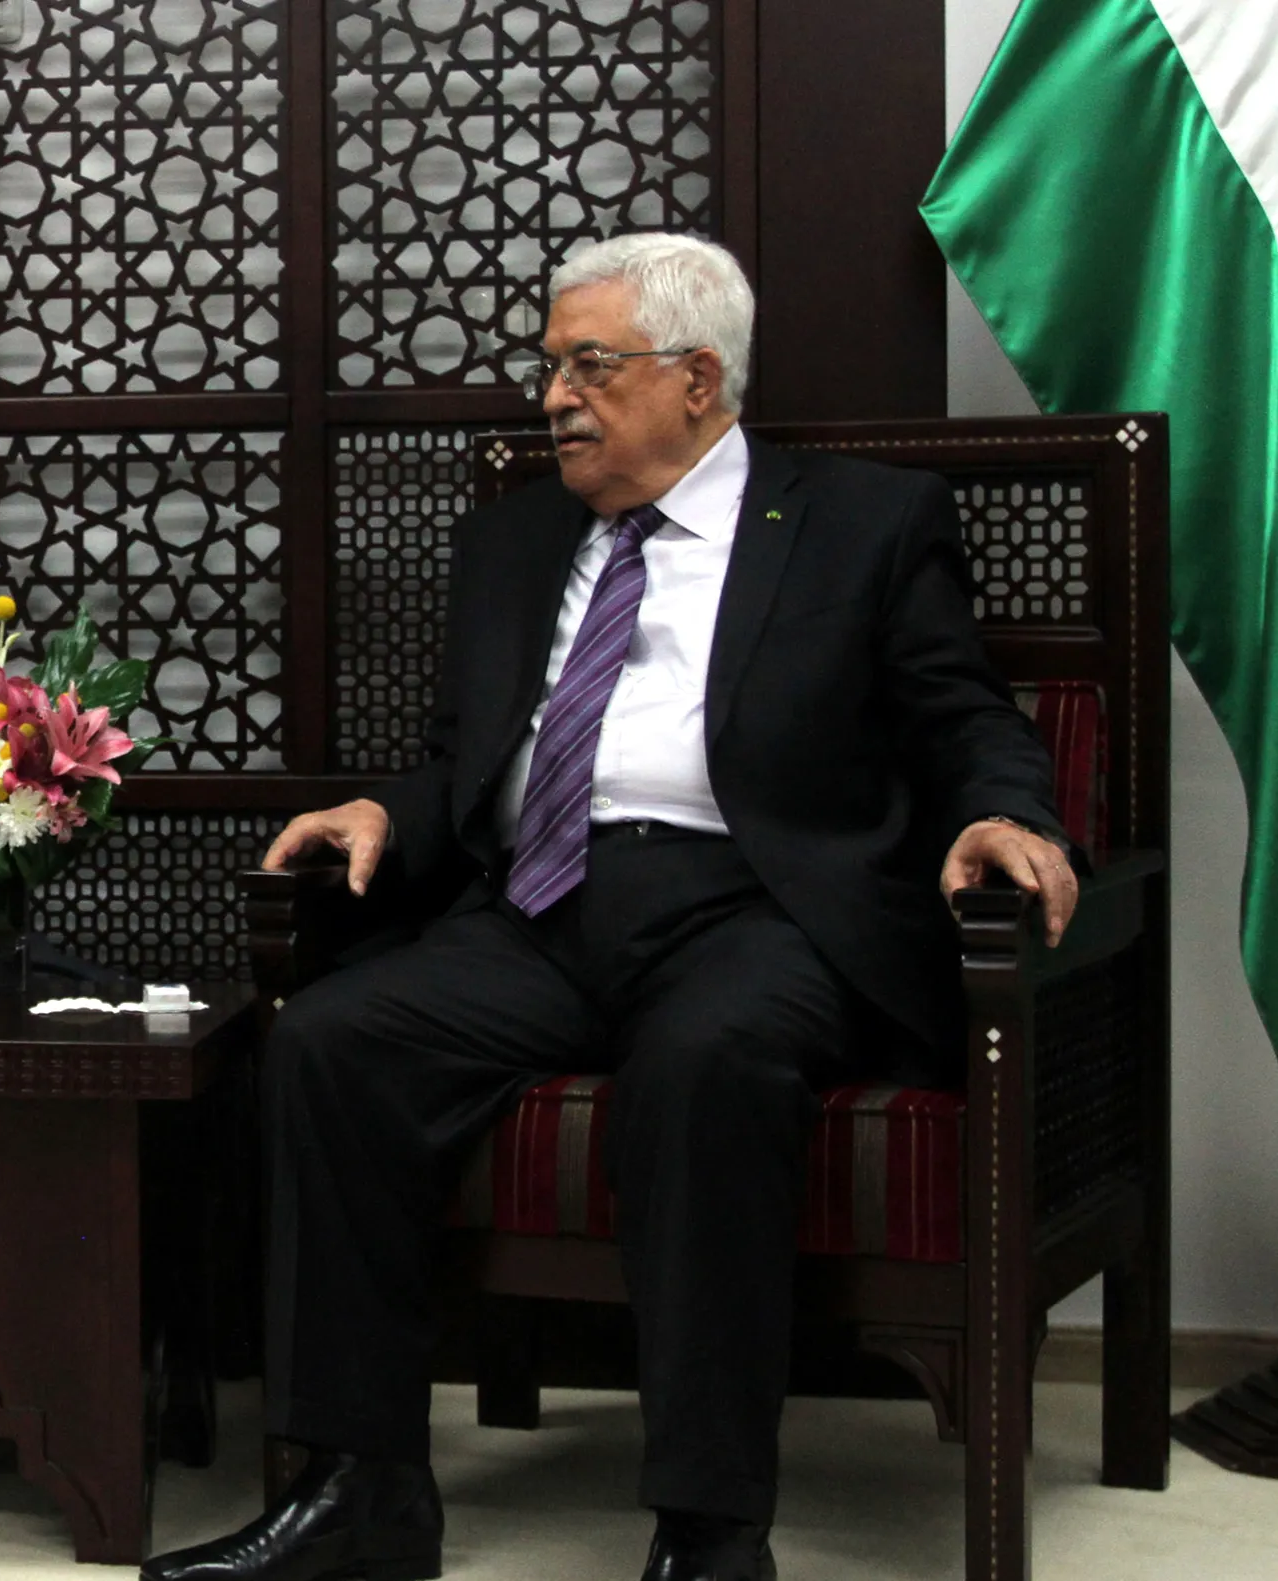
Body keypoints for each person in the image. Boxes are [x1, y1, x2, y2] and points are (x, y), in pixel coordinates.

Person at [143, 233, 1077, 1581]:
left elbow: (961, 717)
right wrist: (390, 815)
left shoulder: (861, 522)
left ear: (697, 379)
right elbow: (466, 755)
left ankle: (708, 1534)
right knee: (333, 1044)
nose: (553, 398)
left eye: (589, 366)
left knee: (705, 1063)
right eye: (549, 368)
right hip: (542, 903)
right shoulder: (517, 538)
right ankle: (360, 1497)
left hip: (753, 908)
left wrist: (1009, 818)